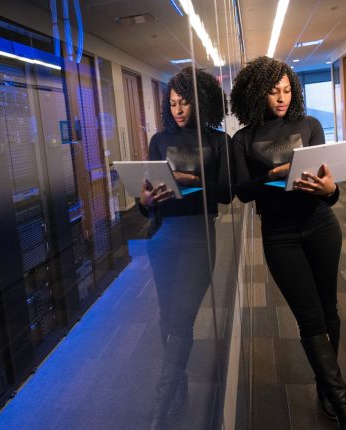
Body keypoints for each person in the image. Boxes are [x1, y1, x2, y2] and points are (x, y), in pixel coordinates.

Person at [228, 56, 346, 430]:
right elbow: (241, 191)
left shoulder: (310, 125)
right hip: (280, 234)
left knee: (329, 309)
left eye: (287, 90)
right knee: (309, 317)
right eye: (273, 92)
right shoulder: (244, 139)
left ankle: (325, 388)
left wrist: (331, 189)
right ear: (257, 94)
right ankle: (343, 402)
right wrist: (275, 174)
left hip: (321, 226)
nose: (281, 98)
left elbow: (327, 191)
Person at [138, 66, 231, 429]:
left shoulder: (217, 141)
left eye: (184, 102)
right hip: (163, 236)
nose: (178, 109)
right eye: (173, 103)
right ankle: (179, 386)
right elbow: (146, 202)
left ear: (200, 100)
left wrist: (193, 180)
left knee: (182, 315)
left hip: (198, 236)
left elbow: (225, 193)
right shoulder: (159, 141)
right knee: (167, 316)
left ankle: (162, 401)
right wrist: (145, 200)